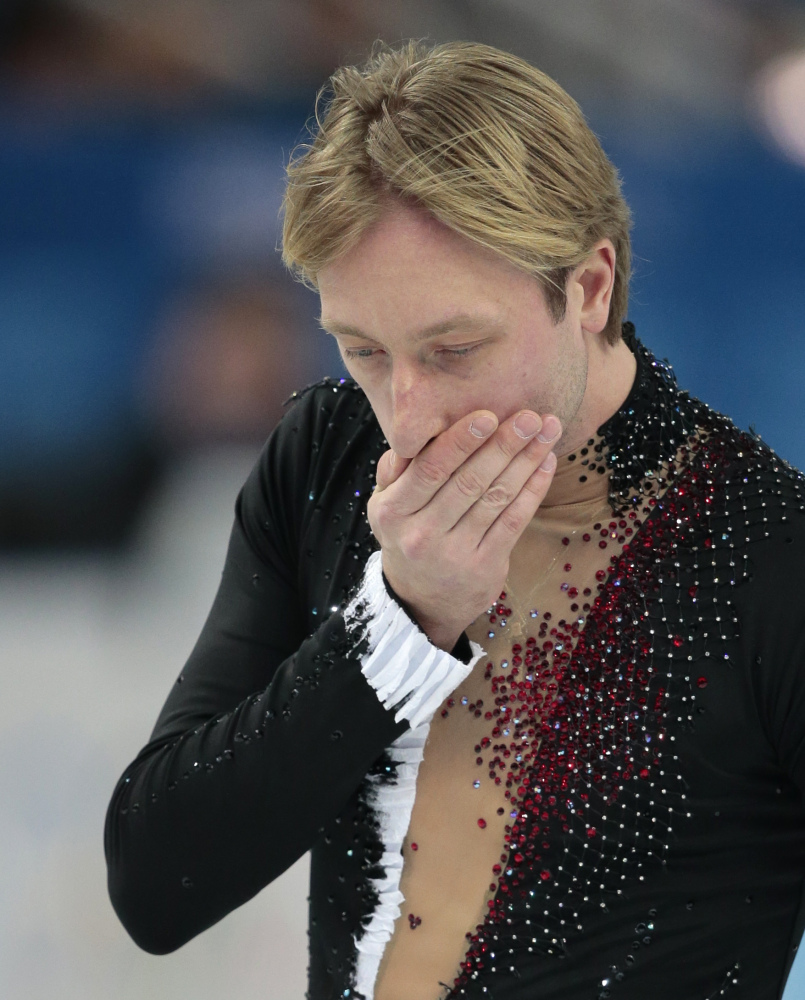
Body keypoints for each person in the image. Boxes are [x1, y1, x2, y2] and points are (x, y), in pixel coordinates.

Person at [105, 40, 805, 1000]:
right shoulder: (324, 457)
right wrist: (398, 622)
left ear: (590, 287)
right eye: (362, 350)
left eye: (455, 348)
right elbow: (157, 885)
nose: (408, 412)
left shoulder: (763, 547)